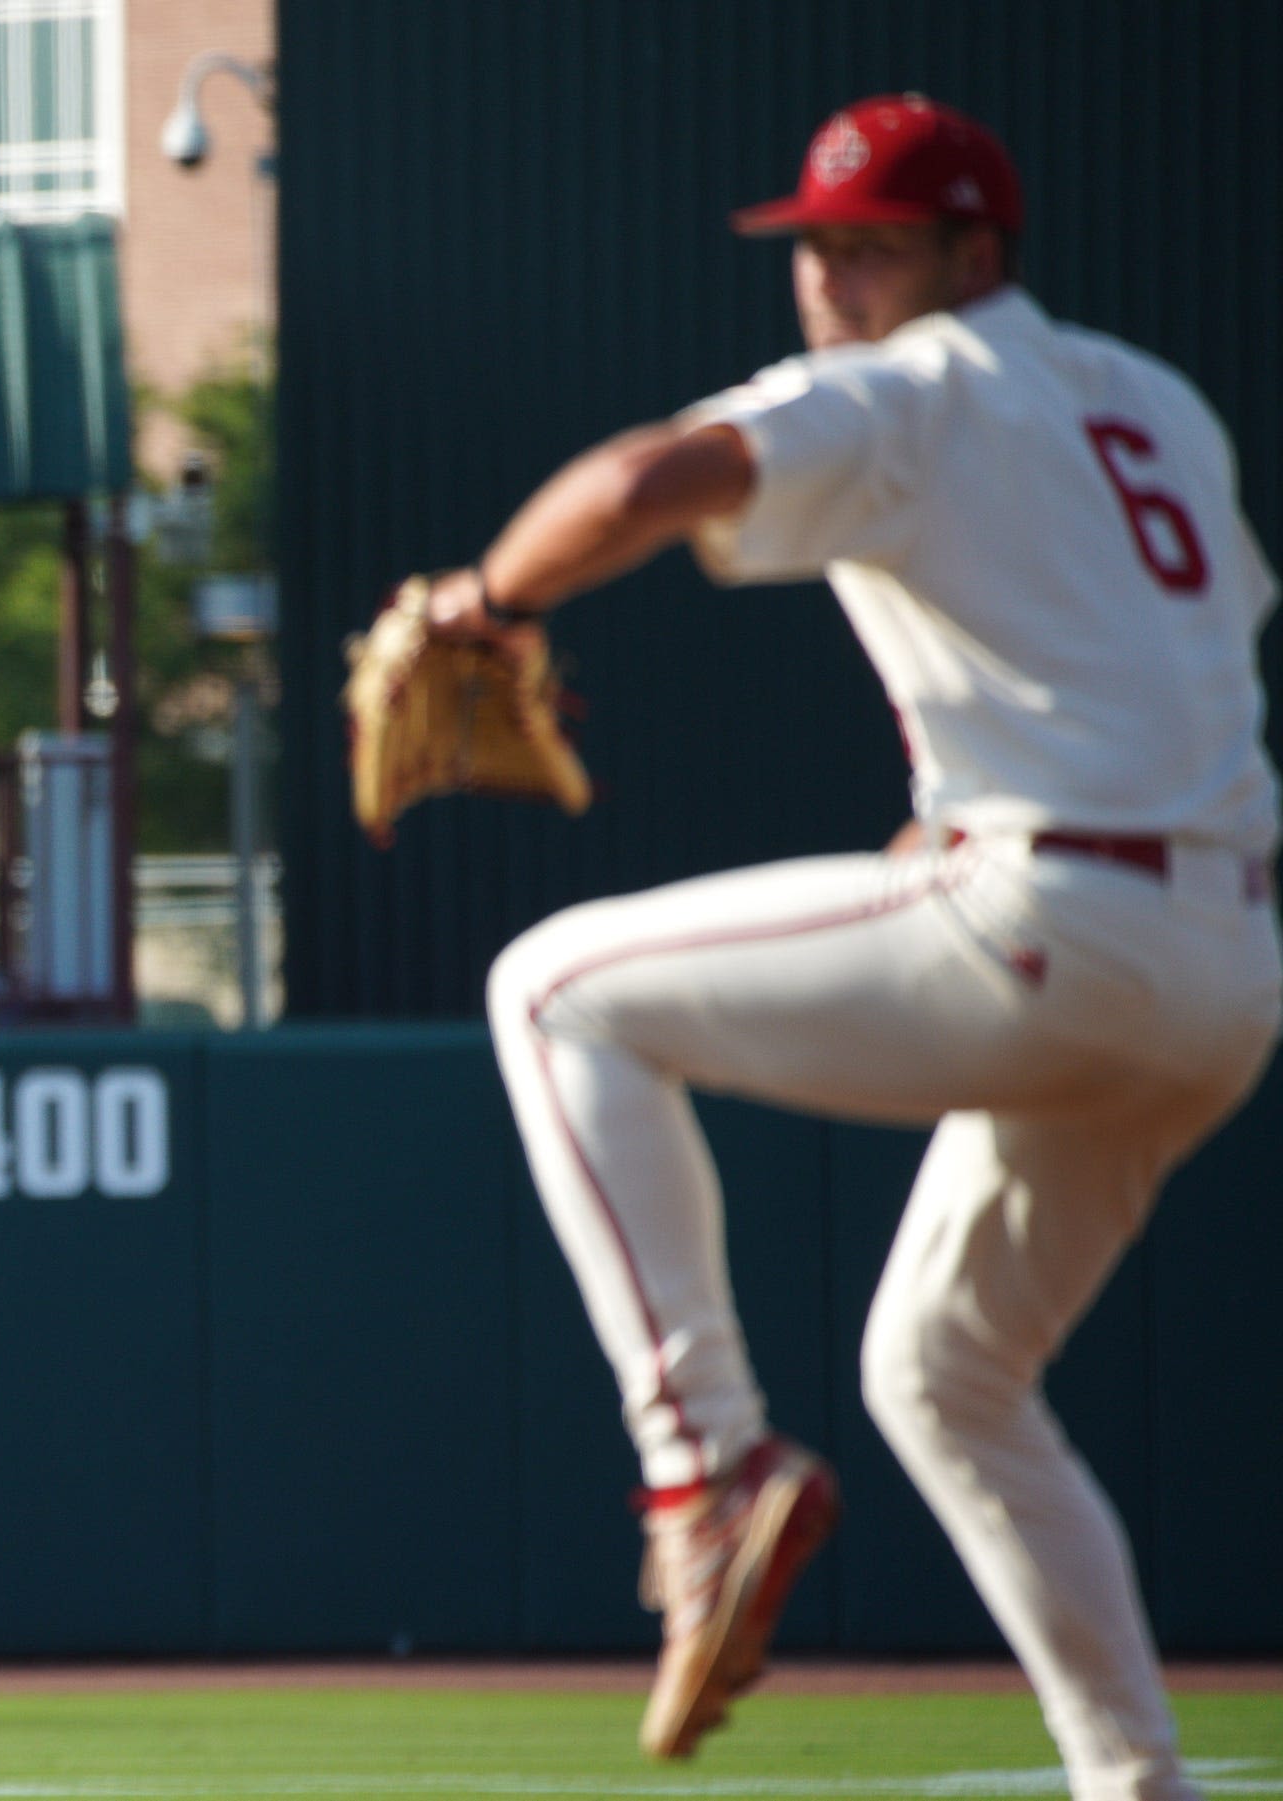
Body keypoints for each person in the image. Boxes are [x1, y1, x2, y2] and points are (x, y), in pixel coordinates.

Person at [418, 96, 1278, 1796]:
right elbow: (1162, 660)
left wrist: (485, 604)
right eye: (812, 247)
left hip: (1053, 915)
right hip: (1230, 965)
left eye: (871, 245)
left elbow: (649, 477)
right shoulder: (1157, 403)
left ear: (976, 254)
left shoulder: (914, 385)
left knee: (554, 987)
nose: (830, 279)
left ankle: (705, 1470)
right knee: (948, 1370)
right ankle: (1137, 1780)